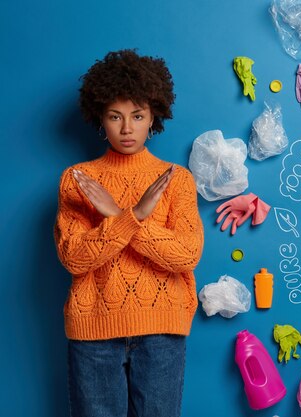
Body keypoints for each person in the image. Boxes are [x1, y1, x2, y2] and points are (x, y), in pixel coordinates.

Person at [54, 49, 204, 417]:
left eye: (137, 116)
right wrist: (132, 216)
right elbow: (74, 258)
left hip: (162, 330)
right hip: (93, 333)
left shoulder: (177, 179)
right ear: (100, 119)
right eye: (114, 117)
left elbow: (185, 255)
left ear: (153, 116)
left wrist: (119, 215)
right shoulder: (78, 180)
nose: (126, 129)